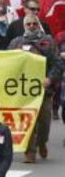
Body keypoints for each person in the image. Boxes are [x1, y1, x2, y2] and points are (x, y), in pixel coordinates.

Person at [8, 14, 63, 162]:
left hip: (43, 91)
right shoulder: (16, 43)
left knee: (44, 121)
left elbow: (58, 64)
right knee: (27, 120)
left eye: (34, 24)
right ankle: (29, 151)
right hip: (23, 90)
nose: (31, 26)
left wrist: (49, 79)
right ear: (24, 26)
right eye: (28, 24)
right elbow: (6, 61)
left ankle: (42, 142)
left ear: (38, 25)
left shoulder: (48, 42)